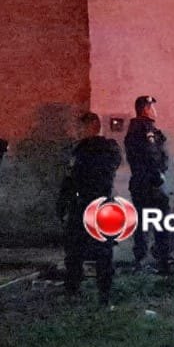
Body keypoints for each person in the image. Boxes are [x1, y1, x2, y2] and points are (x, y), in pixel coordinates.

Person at [58, 112, 122, 305]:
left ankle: (97, 293)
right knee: (79, 250)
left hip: (92, 203)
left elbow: (75, 178)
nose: (77, 132)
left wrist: (63, 202)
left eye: (80, 128)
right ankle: (86, 292)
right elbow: (70, 178)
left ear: (91, 127)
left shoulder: (98, 148)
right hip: (90, 204)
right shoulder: (95, 149)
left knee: (93, 251)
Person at [124, 95, 174, 274]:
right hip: (150, 183)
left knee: (143, 223)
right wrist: (157, 175)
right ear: (145, 109)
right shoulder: (144, 129)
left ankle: (142, 261)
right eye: (152, 107)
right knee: (161, 222)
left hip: (140, 183)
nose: (155, 111)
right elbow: (151, 153)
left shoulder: (135, 129)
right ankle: (162, 262)